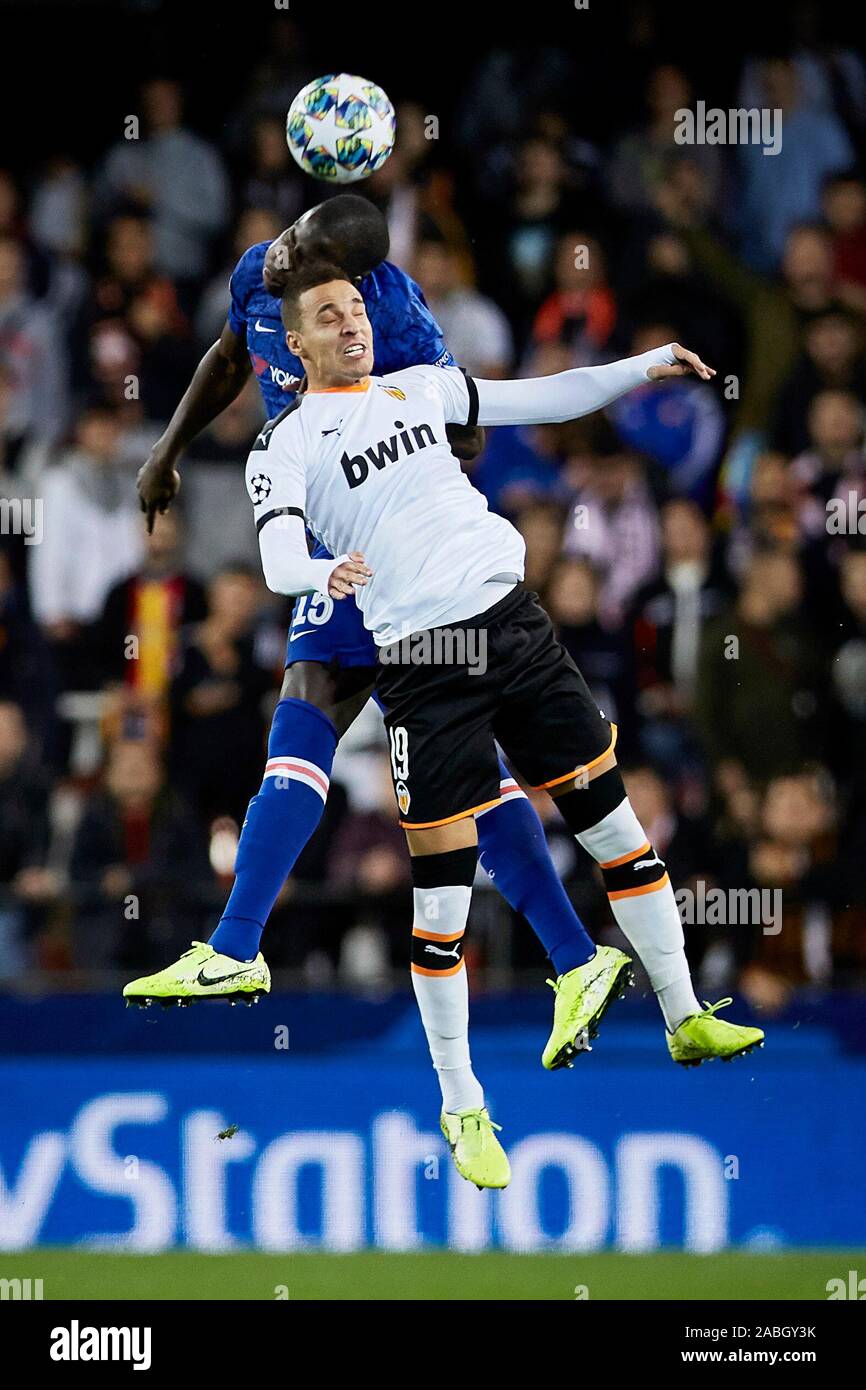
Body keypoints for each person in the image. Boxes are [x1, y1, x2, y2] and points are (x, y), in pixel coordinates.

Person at [129, 263, 764, 1189]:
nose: (352, 322)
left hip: (514, 626)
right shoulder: (284, 444)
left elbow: (542, 396)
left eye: (356, 308)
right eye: (329, 316)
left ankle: (684, 1014)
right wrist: (320, 574)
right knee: (442, 905)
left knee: (618, 828)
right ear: (295, 345)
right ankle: (465, 1105)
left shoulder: (422, 386)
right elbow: (276, 559)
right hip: (422, 666)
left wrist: (642, 366)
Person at [133, 195, 633, 1074]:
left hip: (394, 565)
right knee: (439, 763)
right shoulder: (258, 273)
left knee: (331, 726)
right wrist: (168, 450)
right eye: (292, 238)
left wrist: (367, 437)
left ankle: (239, 946)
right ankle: (575, 959)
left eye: (307, 249)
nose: (282, 253)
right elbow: (227, 356)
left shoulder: (391, 310)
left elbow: (463, 432)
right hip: (336, 553)